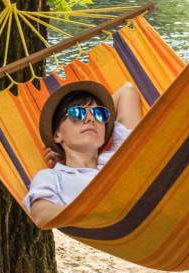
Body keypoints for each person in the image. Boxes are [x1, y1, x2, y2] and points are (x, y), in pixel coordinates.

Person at [22, 80, 142, 227]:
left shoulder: (119, 156)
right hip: (117, 230)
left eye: (99, 114)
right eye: (77, 113)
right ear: (57, 135)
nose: (91, 118)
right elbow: (41, 215)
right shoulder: (52, 176)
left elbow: (128, 91)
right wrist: (107, 212)